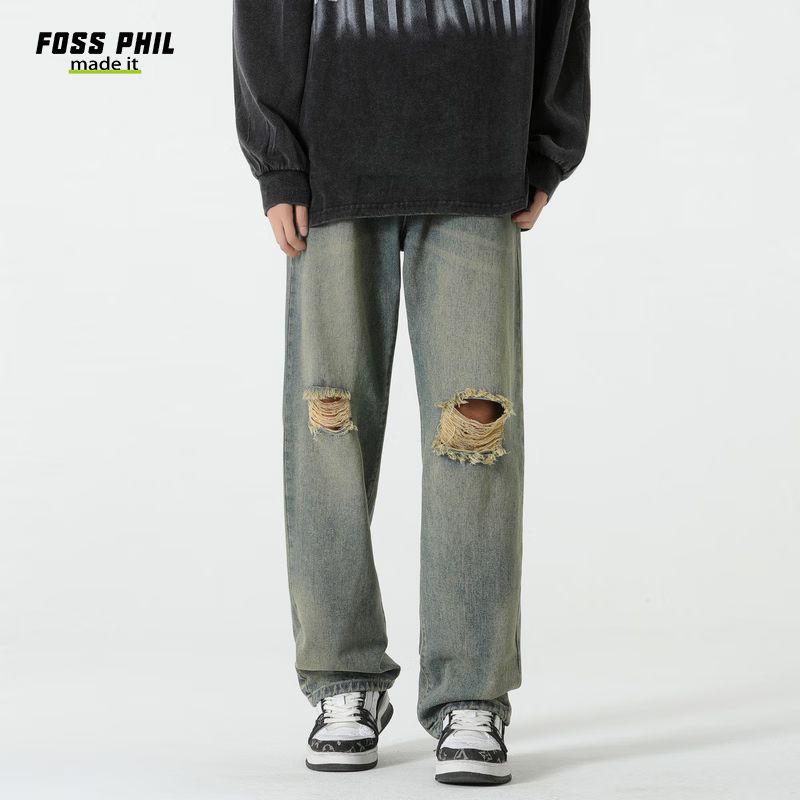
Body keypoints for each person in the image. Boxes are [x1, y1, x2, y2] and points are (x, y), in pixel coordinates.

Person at [233, 0, 590, 785]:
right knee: (330, 427)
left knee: (477, 434)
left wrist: (547, 148)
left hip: (480, 156)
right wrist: (278, 158)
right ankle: (343, 676)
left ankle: (471, 692)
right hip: (333, 157)